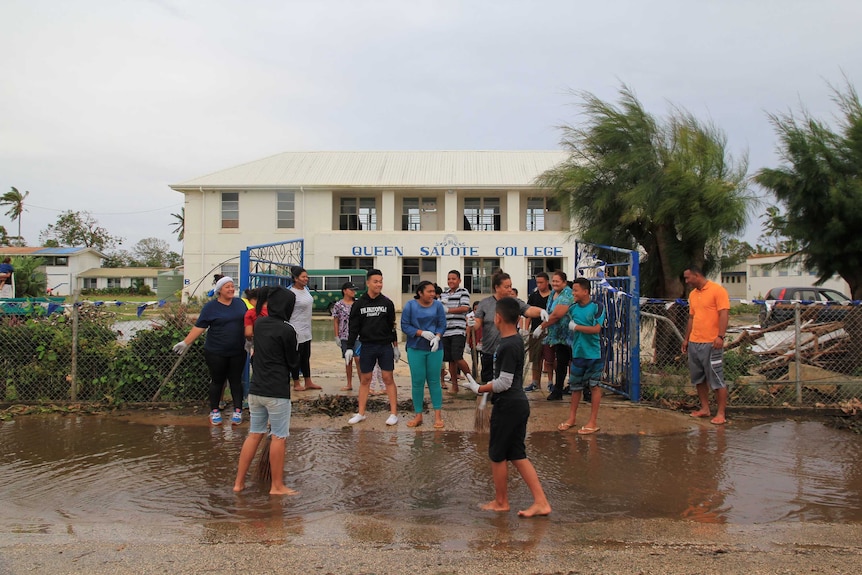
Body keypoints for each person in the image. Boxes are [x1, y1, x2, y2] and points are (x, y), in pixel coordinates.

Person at [464, 297, 551, 517]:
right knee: (517, 455)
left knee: (497, 455)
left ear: (498, 318)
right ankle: (541, 502)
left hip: (509, 406)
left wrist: (480, 389)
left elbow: (504, 383)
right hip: (516, 404)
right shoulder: (512, 341)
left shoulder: (508, 345)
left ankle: (501, 501)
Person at [233, 286, 300, 495]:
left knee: (254, 434)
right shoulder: (288, 330)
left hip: (256, 389)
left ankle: (238, 483)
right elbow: (292, 362)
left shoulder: (260, 324)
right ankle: (277, 486)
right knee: (279, 436)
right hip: (277, 391)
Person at [173, 276, 246, 426]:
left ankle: (238, 411)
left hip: (238, 350)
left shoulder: (240, 304)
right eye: (227, 287)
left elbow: (250, 321)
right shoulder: (210, 308)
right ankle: (214, 411)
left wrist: (252, 341)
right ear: (219, 290)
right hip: (216, 352)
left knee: (236, 381)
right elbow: (200, 327)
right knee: (217, 381)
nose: (231, 289)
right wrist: (186, 342)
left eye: (232, 286)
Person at [343, 269, 400, 426]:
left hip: (384, 346)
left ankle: (394, 413)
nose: (379, 284)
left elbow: (392, 326)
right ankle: (361, 413)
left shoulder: (387, 303)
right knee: (365, 379)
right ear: (368, 283)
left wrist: (395, 346)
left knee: (388, 378)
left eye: (381, 281)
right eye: (375, 281)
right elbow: (353, 328)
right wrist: (349, 347)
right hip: (367, 346)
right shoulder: (359, 304)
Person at [475, 272, 547, 384]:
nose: (510, 290)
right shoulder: (485, 303)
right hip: (489, 350)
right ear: (497, 287)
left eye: (510, 286)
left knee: (507, 382)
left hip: (508, 350)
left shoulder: (514, 303)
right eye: (506, 287)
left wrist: (541, 311)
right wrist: (471, 324)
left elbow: (528, 310)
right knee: (487, 383)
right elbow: (477, 323)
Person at [682, 265, 730, 425]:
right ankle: (705, 408)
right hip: (695, 342)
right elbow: (691, 318)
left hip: (712, 343)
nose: (686, 281)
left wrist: (720, 336)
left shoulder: (718, 291)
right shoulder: (693, 295)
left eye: (688, 277)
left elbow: (724, 313)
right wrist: (686, 339)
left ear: (697, 275)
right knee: (698, 378)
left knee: (716, 378)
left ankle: (721, 413)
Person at [557, 278, 606, 434]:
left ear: (585, 291)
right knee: (575, 386)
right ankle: (572, 418)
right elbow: (558, 315)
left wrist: (576, 327)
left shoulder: (597, 307)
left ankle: (593, 421)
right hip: (578, 352)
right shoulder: (573, 308)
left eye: (576, 290)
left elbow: (596, 329)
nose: (573, 293)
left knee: (594, 386)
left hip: (594, 353)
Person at [401, 280, 447, 428]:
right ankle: (418, 415)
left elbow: (442, 324)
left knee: (434, 381)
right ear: (420, 292)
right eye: (429, 291)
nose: (433, 294)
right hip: (415, 348)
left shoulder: (438, 306)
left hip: (435, 348)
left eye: (434, 291)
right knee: (417, 382)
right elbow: (405, 326)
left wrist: (438, 337)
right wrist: (420, 333)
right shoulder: (410, 305)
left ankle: (438, 416)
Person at [533, 270, 573, 401]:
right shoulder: (553, 294)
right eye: (553, 281)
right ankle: (558, 390)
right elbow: (549, 311)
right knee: (560, 363)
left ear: (564, 282)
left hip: (569, 335)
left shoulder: (567, 295)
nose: (555, 283)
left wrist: (542, 326)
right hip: (557, 336)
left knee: (576, 362)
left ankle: (583, 388)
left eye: (558, 281)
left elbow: (557, 315)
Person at [288, 266, 322, 392]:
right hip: (296, 330)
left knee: (306, 356)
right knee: (296, 358)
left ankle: (308, 381)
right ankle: (296, 383)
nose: (306, 279)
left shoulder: (306, 290)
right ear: (296, 279)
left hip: (307, 329)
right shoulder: (291, 293)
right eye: (303, 277)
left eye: (307, 276)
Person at [440, 270, 473, 394]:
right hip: (446, 330)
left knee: (457, 357)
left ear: (459, 280)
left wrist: (448, 310)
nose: (451, 281)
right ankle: (455, 386)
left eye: (453, 279)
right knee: (450, 359)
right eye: (449, 279)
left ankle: (471, 381)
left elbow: (465, 308)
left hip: (458, 329)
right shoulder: (444, 294)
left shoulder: (463, 292)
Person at [524, 272, 553, 392]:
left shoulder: (553, 296)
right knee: (535, 359)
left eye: (542, 282)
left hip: (549, 331)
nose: (539, 285)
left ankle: (551, 382)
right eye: (538, 282)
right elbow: (528, 313)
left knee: (549, 359)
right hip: (535, 331)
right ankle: (535, 382)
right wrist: (526, 330)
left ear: (547, 282)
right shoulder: (534, 296)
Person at [332, 281, 361, 392]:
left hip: (358, 336)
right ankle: (349, 384)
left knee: (358, 359)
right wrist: (336, 336)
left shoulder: (358, 303)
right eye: (351, 290)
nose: (354, 292)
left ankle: (363, 383)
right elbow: (336, 321)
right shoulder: (338, 305)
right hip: (344, 335)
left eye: (354, 290)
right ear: (345, 291)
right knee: (348, 360)